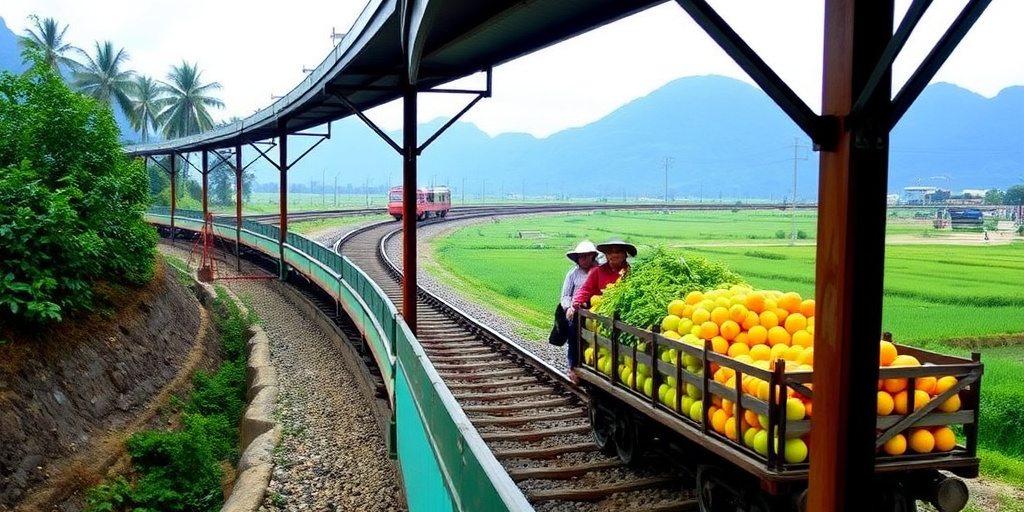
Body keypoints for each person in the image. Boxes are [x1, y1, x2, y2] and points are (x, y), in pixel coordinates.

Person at [565, 237, 637, 383]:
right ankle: (573, 366)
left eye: (618, 251)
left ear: (625, 254)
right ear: (606, 255)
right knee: (573, 326)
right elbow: (585, 290)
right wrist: (574, 305)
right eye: (610, 252)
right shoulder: (597, 271)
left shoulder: (631, 274)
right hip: (599, 315)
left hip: (622, 315)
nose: (614, 255)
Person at [550, 240, 599, 350]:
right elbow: (566, 295)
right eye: (581, 256)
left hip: (596, 312)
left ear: (593, 256)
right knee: (575, 339)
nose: (584, 259)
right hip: (576, 312)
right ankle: (573, 361)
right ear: (577, 258)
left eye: (587, 256)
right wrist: (569, 308)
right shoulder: (572, 274)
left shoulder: (600, 271)